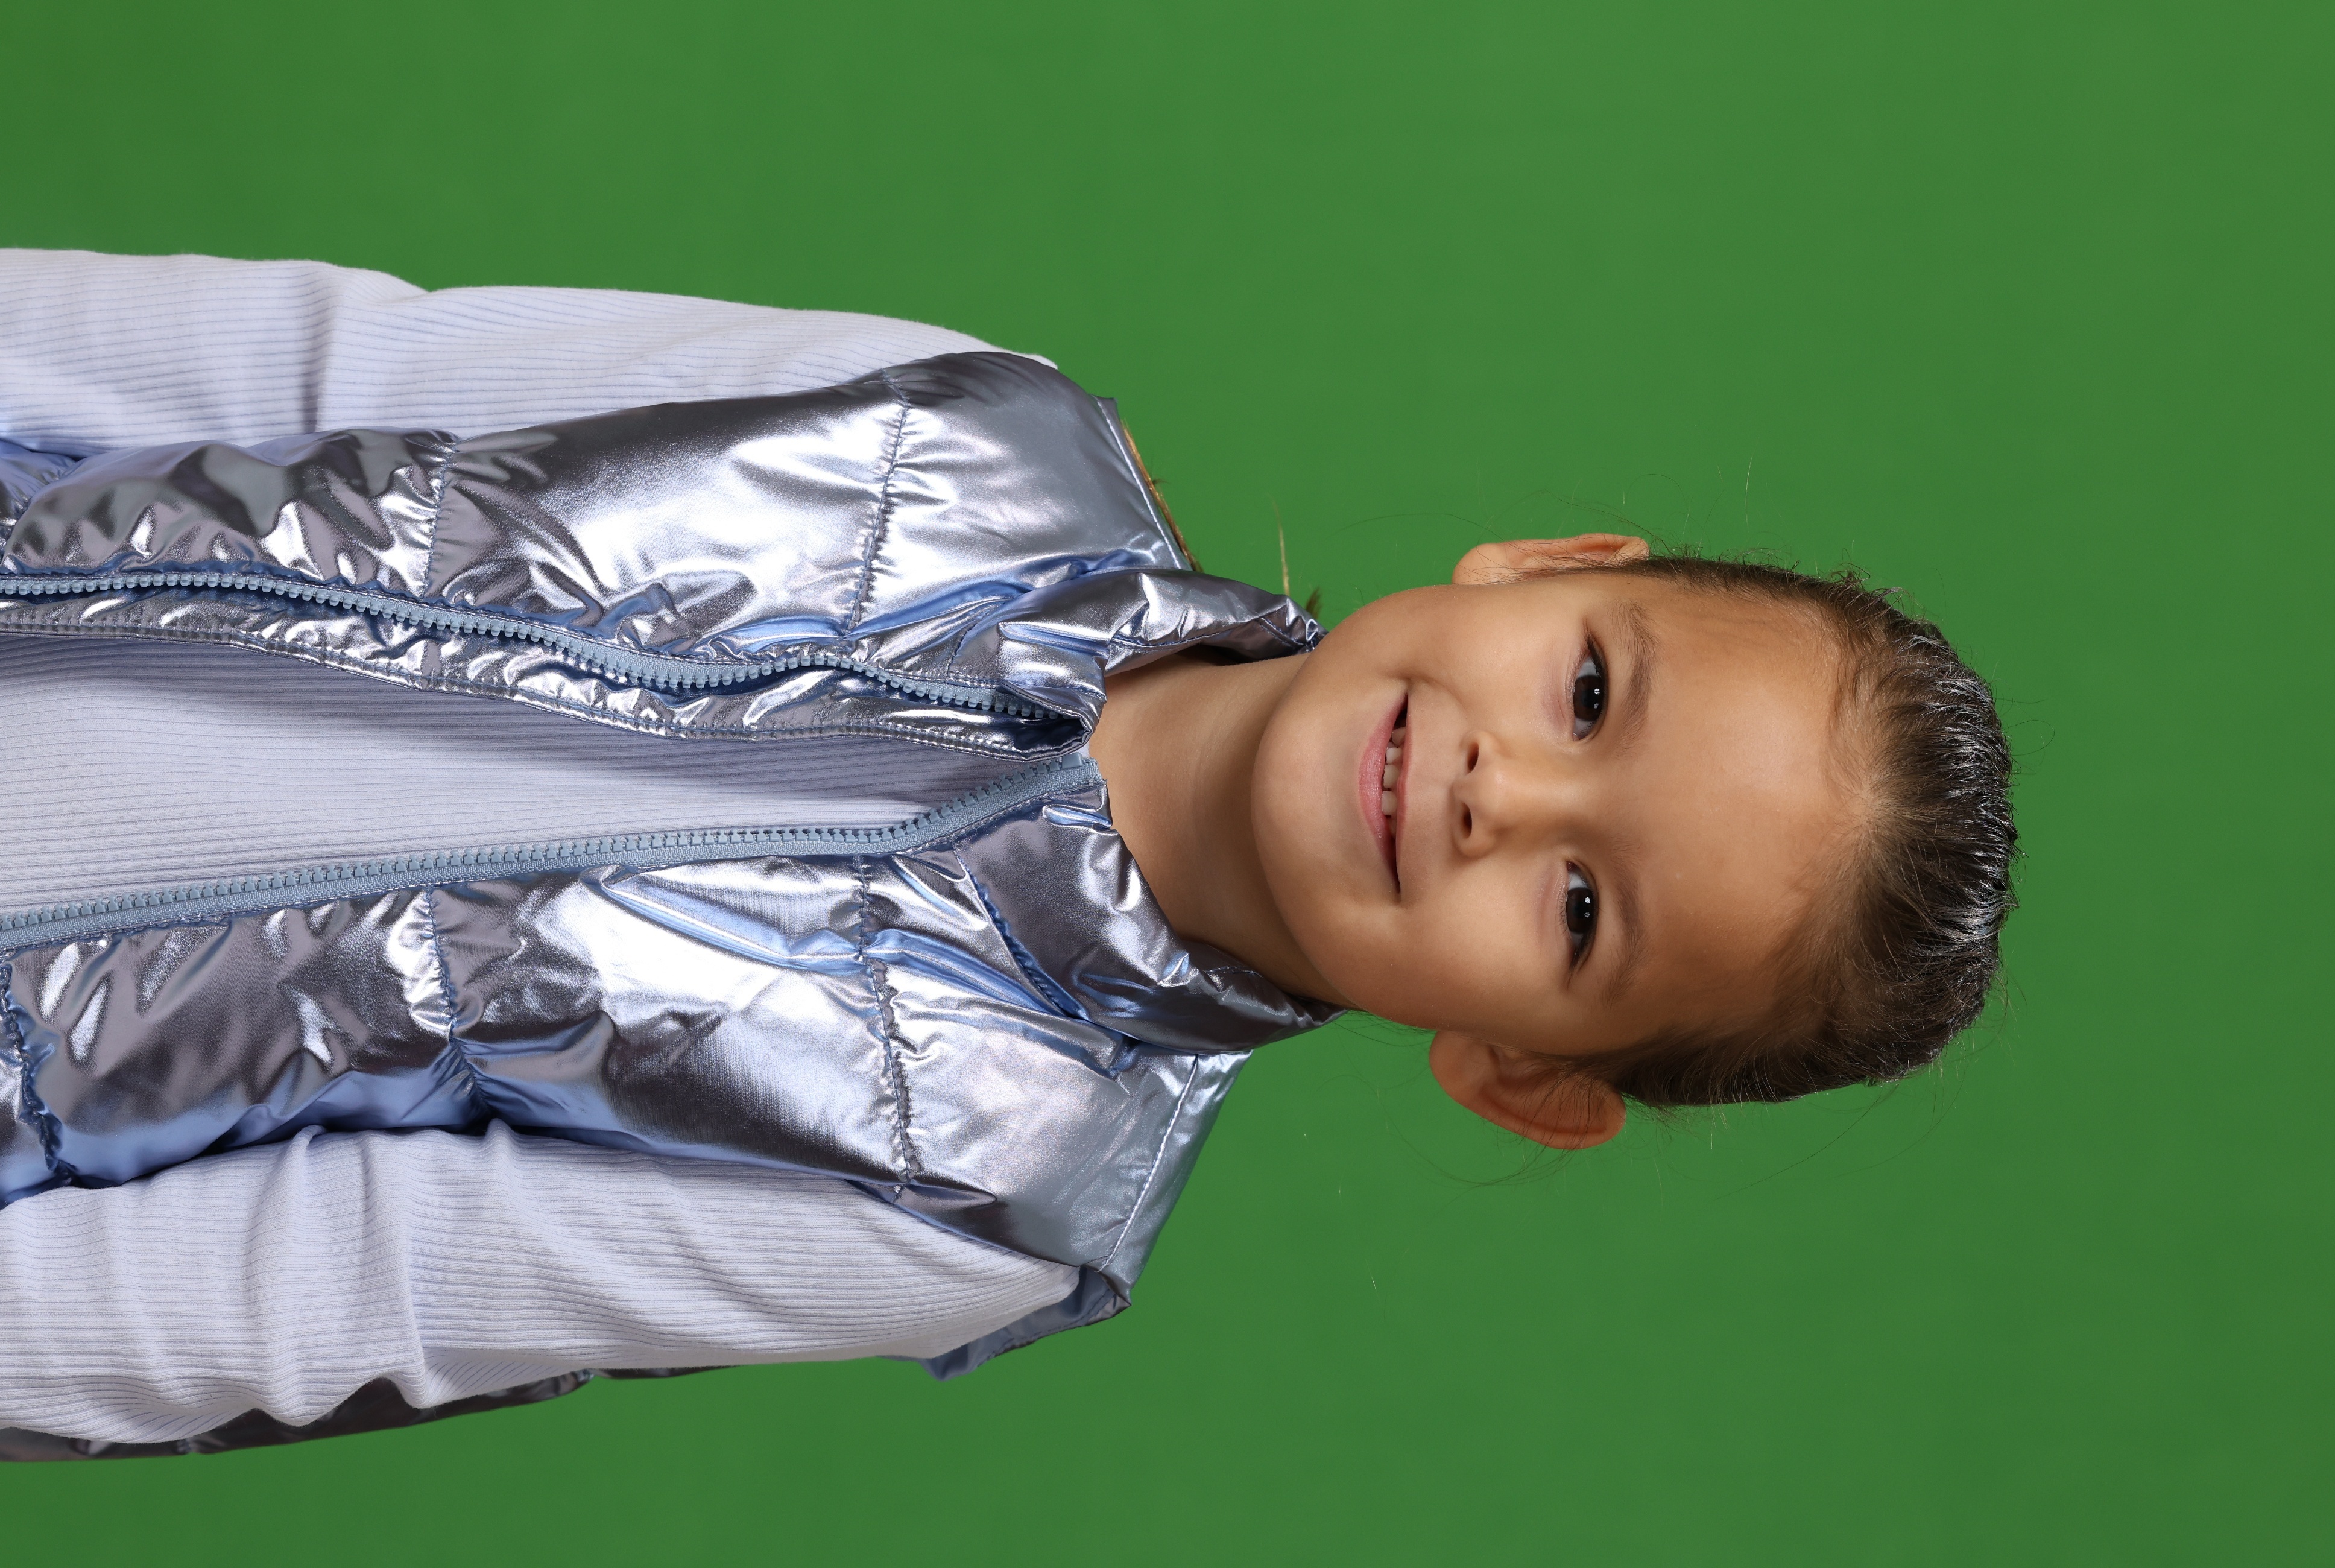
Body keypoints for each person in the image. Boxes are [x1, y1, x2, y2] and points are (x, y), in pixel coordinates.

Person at [0, 250, 2015, 1459]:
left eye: (1580, 910)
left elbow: (315, 1295)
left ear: (1523, 1076)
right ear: (1546, 564)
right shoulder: (969, 436)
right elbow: (325, 370)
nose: (1507, 795)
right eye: (1587, 693)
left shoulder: (987, 1191)